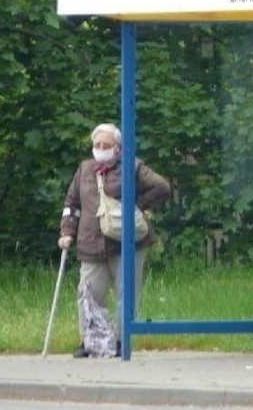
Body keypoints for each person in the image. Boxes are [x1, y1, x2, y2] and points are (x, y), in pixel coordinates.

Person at [58, 123, 171, 358]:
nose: (101, 149)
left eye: (106, 145)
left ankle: (121, 341)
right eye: (97, 145)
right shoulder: (85, 170)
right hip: (91, 242)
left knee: (125, 294)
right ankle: (90, 341)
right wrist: (67, 231)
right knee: (88, 293)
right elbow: (72, 204)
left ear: (118, 148)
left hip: (127, 243)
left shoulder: (132, 166)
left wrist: (136, 205)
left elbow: (162, 187)